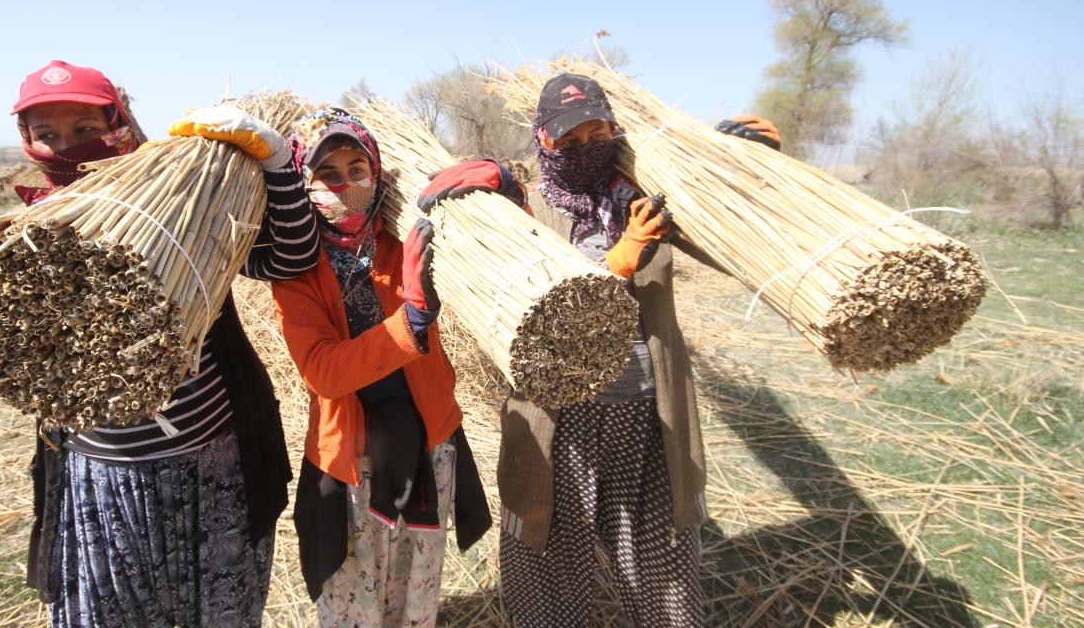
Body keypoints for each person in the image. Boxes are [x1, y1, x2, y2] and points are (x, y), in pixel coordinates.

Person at [12, 59, 320, 627]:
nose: (67, 147)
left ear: (119, 125)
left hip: (211, 465)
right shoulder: (31, 231)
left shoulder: (183, 205)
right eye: (46, 134)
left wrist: (277, 164)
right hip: (101, 477)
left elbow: (290, 259)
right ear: (25, 140)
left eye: (85, 128)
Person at [496, 72, 780, 627]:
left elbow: (731, 240)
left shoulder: (648, 198)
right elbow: (532, 299)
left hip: (645, 409)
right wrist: (617, 262)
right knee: (551, 554)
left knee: (659, 565)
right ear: (542, 139)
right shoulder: (526, 208)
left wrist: (745, 171)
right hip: (561, 415)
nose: (584, 149)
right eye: (568, 140)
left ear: (615, 133)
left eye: (596, 135)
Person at [270, 107, 501, 627]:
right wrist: (409, 323)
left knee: (415, 602)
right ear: (304, 184)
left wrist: (503, 194)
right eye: (327, 174)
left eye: (357, 170)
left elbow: (496, 259)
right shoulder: (295, 268)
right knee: (354, 610)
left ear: (375, 173)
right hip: (352, 463)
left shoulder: (407, 240)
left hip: (428, 447)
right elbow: (322, 371)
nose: (346, 186)